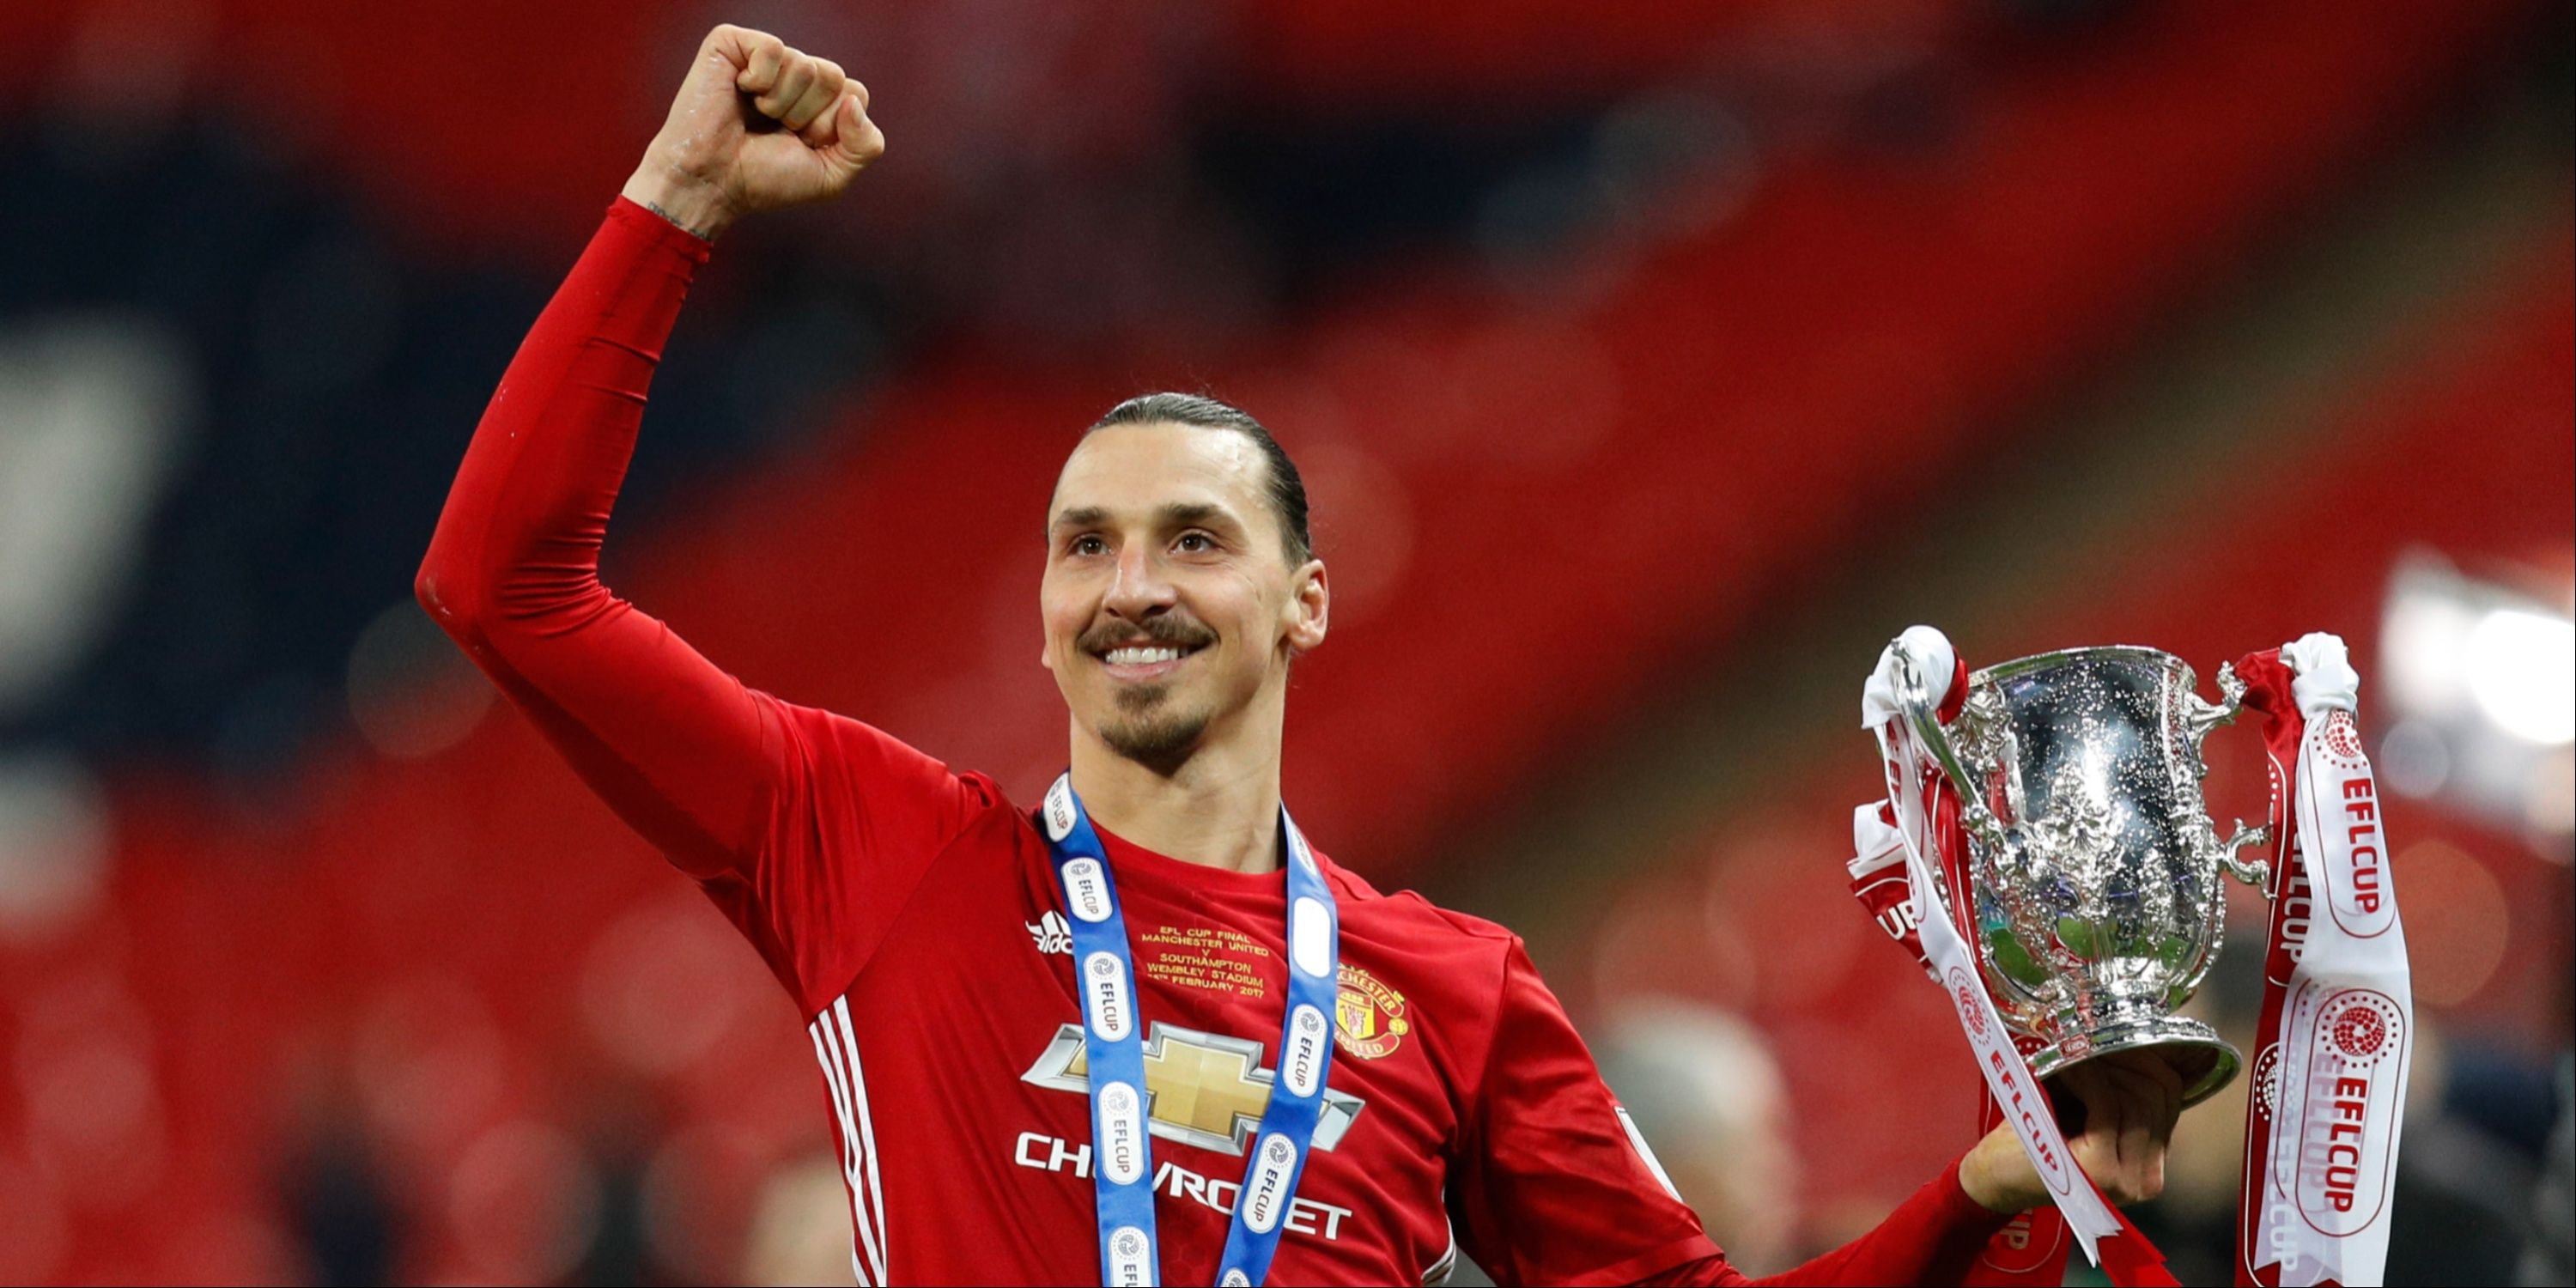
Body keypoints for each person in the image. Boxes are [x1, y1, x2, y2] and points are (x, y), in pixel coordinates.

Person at [417, 24, 2184, 1285]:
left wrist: (1979, 1192)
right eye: (1084, 544)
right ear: (1040, 614)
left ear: (1307, 599)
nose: (1132, 582)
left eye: (1195, 537)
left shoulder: (1459, 995)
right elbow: (508, 590)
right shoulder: (876, 845)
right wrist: (673, 206)